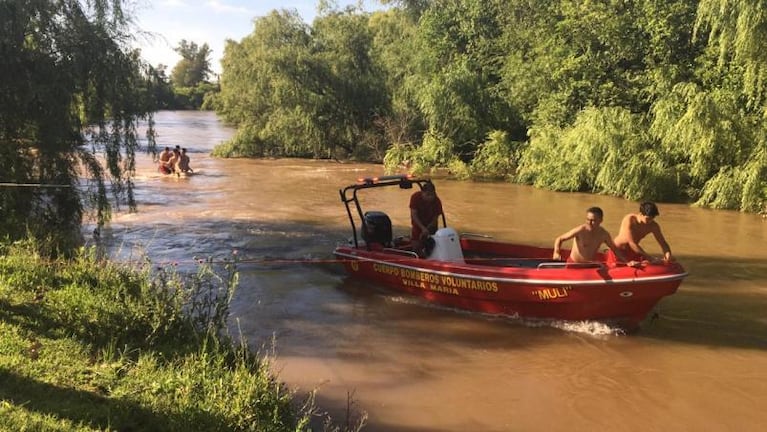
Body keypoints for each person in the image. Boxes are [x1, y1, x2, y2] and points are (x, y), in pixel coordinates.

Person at [553, 207, 636, 265]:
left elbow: (615, 250)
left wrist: (627, 262)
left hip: (589, 266)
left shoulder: (604, 234)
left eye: (593, 220)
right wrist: (556, 252)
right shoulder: (580, 230)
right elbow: (559, 239)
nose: (589, 222)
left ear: (601, 220)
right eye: (587, 219)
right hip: (573, 264)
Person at [410, 182, 443, 254]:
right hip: (418, 223)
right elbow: (414, 215)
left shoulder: (437, 201)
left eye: (432, 195)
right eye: (427, 195)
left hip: (431, 225)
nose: (430, 197)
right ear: (422, 193)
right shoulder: (415, 197)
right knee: (416, 245)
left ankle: (431, 255)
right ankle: (416, 255)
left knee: (432, 244)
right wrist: (422, 228)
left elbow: (435, 218)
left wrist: (427, 229)